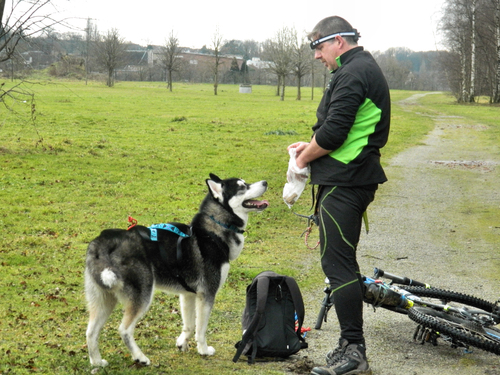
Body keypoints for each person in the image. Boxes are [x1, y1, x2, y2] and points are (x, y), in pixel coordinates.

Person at [288, 16, 390, 375]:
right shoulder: (357, 69)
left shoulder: (353, 72)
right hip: (347, 178)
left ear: (338, 42)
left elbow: (332, 134)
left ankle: (354, 352)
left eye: (318, 47)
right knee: (338, 262)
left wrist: (301, 158)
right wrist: (310, 145)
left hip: (348, 181)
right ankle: (349, 346)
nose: (316, 56)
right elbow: (338, 131)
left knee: (339, 264)